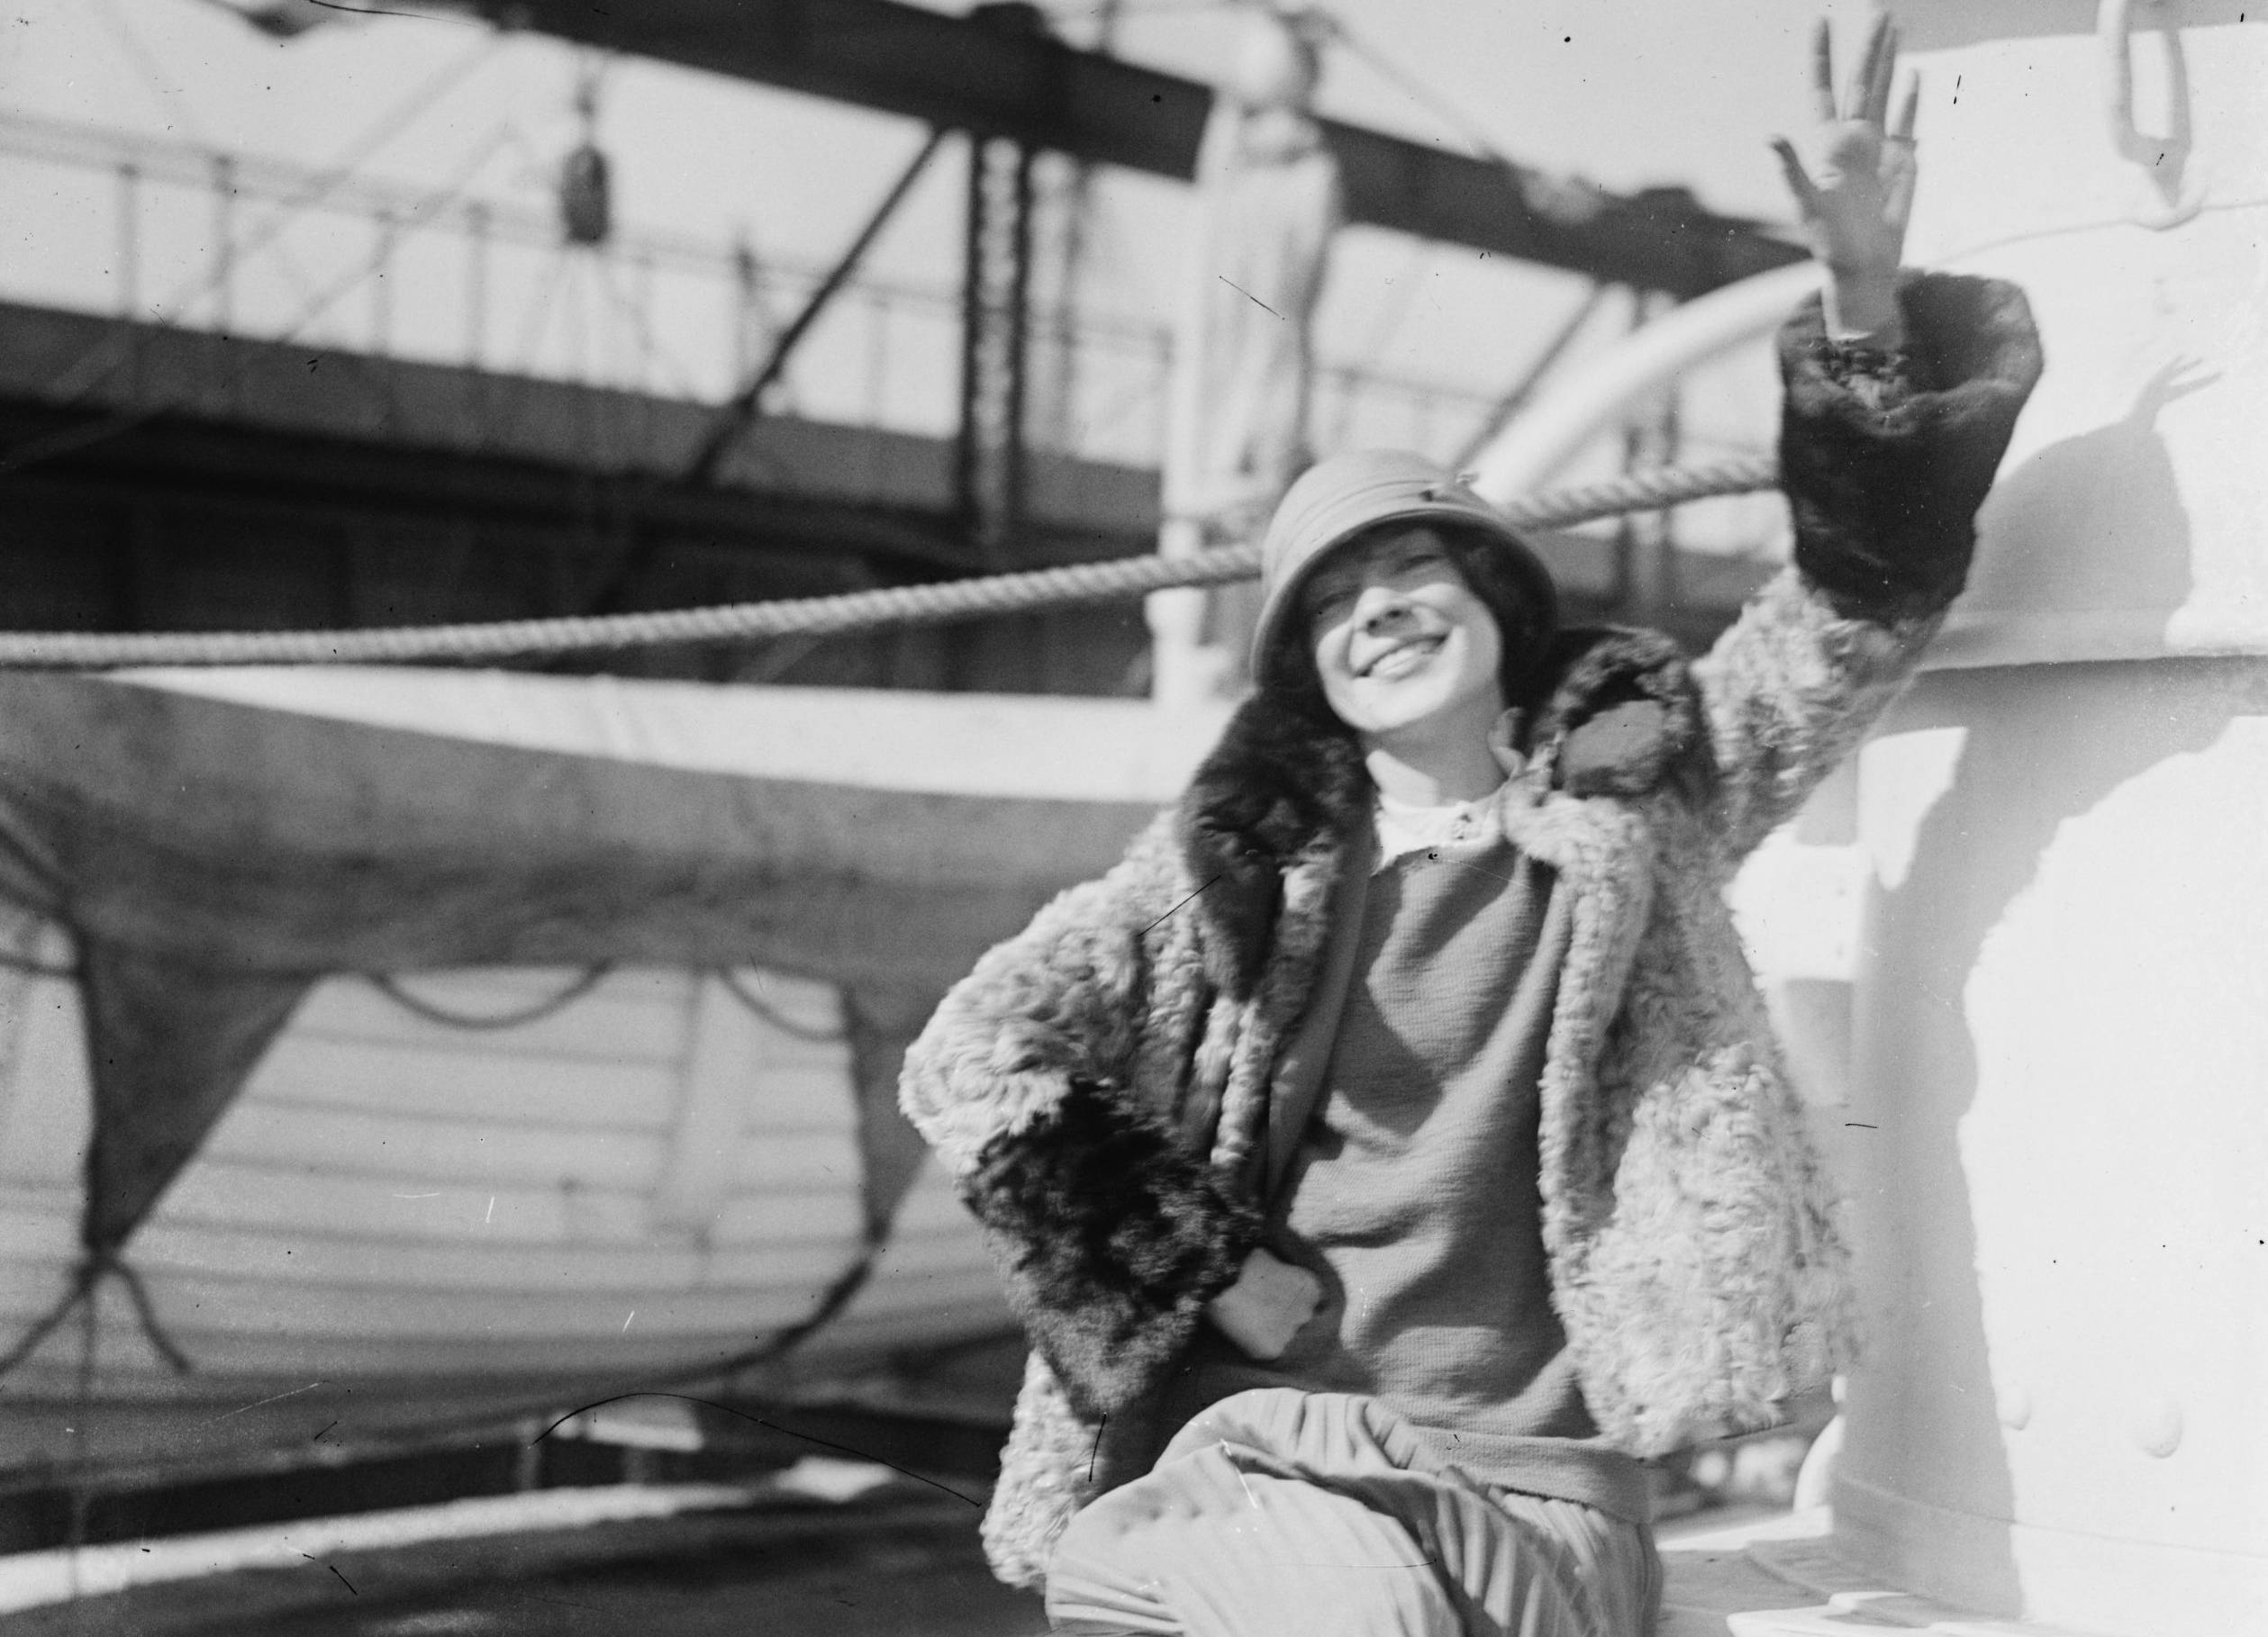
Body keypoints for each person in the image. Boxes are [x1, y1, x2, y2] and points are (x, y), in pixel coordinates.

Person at [899, 17, 2043, 1635]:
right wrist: (1194, 1261)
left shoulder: (1650, 786)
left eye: (1409, 572)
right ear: (1304, 671)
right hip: (1265, 1448)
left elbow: (1859, 608)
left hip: (1536, 1482)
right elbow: (968, 1053)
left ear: (1499, 598)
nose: (1377, 617)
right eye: (1332, 608)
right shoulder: (1234, 868)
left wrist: (1861, 301)